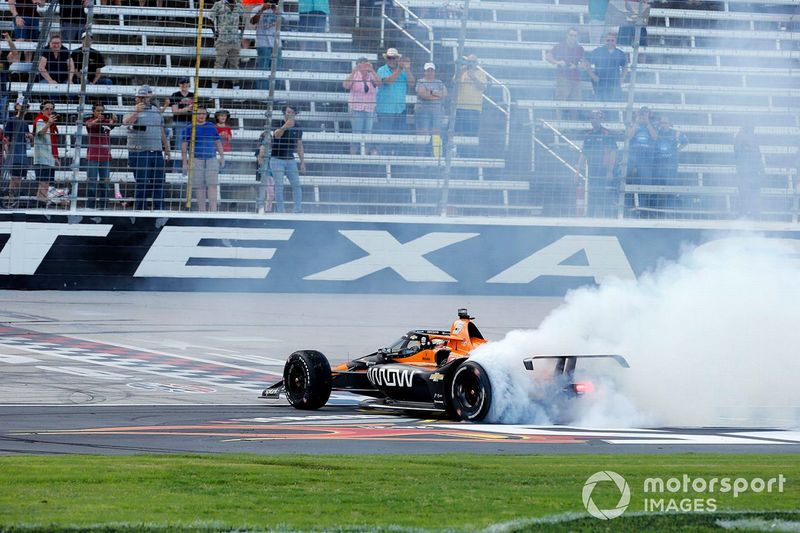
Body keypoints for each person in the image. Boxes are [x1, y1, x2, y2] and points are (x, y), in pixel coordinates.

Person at [123, 85, 170, 211]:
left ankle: (159, 209)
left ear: (150, 97)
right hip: (139, 151)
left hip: (156, 151)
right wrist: (136, 112)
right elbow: (126, 123)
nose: (143, 99)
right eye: (140, 97)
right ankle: (140, 210)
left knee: (159, 182)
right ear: (136, 98)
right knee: (142, 182)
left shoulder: (156, 111)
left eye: (145, 97)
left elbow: (161, 129)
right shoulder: (131, 110)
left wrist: (166, 148)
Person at [181, 106, 225, 213]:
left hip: (211, 159)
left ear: (206, 115)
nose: (201, 116)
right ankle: (202, 211)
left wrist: (222, 157)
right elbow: (184, 146)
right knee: (199, 187)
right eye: (199, 113)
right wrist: (185, 163)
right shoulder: (189, 128)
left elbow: (218, 142)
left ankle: (213, 211)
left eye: (203, 114)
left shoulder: (211, 126)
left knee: (212, 185)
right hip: (196, 160)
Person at [577, 109, 619, 217]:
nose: (594, 120)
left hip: (604, 169)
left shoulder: (607, 134)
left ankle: (607, 218)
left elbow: (613, 153)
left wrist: (610, 171)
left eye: (596, 118)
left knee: (604, 195)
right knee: (592, 194)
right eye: (592, 118)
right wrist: (578, 171)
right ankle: (590, 217)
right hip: (592, 169)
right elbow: (583, 154)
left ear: (601, 119)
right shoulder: (588, 135)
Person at [376, 47, 414, 150]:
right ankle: (384, 157)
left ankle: (397, 156)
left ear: (397, 59)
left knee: (400, 138)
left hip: (400, 109)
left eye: (394, 58)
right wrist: (399, 69)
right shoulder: (381, 70)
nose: (392, 60)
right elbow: (388, 82)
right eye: (389, 58)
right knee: (385, 138)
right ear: (386, 59)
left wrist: (407, 69)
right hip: (385, 110)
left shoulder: (404, 70)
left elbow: (411, 83)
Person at [545, 28, 587, 118]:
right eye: (571, 35)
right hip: (563, 78)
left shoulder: (580, 48)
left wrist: (576, 66)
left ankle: (574, 124)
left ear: (577, 37)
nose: (573, 37)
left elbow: (584, 64)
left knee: (576, 104)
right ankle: (559, 123)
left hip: (576, 79)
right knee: (561, 101)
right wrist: (558, 62)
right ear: (566, 35)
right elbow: (548, 56)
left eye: (575, 36)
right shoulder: (560, 46)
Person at [269, 105, 304, 213]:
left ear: (295, 114)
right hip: (277, 159)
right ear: (284, 112)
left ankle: (297, 210)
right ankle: (281, 211)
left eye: (292, 112)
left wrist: (302, 161)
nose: (289, 114)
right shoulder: (277, 123)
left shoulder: (298, 126)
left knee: (296, 185)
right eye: (288, 112)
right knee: (279, 186)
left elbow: (299, 145)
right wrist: (285, 126)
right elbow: (276, 135)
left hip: (290, 159)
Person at [343, 57, 380, 155]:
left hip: (369, 108)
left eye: (366, 64)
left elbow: (379, 83)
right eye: (362, 65)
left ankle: (365, 156)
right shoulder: (354, 75)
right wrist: (353, 72)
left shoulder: (371, 75)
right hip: (356, 108)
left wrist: (372, 70)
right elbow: (346, 85)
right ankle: (353, 157)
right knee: (356, 134)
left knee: (368, 134)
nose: (364, 67)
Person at [84, 103, 117, 209]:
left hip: (105, 156)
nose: (100, 113)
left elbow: (113, 124)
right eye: (98, 111)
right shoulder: (90, 120)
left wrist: (115, 120)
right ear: (93, 112)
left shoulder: (106, 121)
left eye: (102, 111)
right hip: (93, 156)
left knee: (105, 183)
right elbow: (90, 125)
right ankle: (90, 207)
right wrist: (98, 120)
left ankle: (104, 206)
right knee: (92, 183)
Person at [625, 106, 657, 213]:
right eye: (641, 113)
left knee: (645, 184)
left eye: (645, 113)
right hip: (632, 157)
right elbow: (628, 136)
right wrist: (636, 123)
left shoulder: (653, 124)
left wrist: (647, 123)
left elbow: (655, 137)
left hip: (646, 159)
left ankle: (642, 208)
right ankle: (626, 207)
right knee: (623, 176)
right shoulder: (633, 124)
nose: (643, 115)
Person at [210, 0, 244, 90]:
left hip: (235, 40)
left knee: (235, 64)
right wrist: (215, 33)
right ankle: (213, 90)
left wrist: (240, 35)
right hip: (222, 40)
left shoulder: (239, 6)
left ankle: (236, 90)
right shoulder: (218, 4)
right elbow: (209, 19)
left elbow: (242, 21)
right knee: (219, 64)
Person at [3, 96, 30, 208]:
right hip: (14, 154)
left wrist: (29, 137)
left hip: (22, 154)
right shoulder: (12, 120)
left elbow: (27, 140)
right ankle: (10, 200)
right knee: (14, 178)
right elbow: (6, 139)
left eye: (26, 106)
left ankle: (13, 199)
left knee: (18, 178)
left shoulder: (25, 123)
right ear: (17, 106)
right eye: (22, 105)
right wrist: (7, 153)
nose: (24, 108)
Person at [414, 62, 447, 154]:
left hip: (437, 112)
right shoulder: (420, 81)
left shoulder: (439, 82)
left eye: (432, 70)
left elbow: (445, 93)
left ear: (434, 71)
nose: (430, 72)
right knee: (423, 133)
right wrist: (437, 95)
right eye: (428, 70)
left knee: (436, 133)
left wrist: (431, 92)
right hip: (423, 111)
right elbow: (423, 94)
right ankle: (421, 157)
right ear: (424, 71)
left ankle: (436, 156)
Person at [586, 32, 628, 101]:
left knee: (614, 104)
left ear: (615, 41)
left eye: (612, 40)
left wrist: (622, 79)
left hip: (614, 84)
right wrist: (593, 76)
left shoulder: (619, 53)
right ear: (604, 41)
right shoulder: (598, 51)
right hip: (600, 84)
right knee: (600, 104)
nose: (610, 42)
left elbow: (625, 66)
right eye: (608, 40)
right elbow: (587, 62)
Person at [32, 100, 60, 205]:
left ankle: (41, 202)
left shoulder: (50, 124)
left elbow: (53, 143)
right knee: (43, 182)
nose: (49, 111)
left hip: (50, 157)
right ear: (42, 110)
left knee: (46, 182)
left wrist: (55, 157)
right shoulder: (40, 120)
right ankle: (41, 203)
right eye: (46, 109)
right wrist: (48, 123)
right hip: (42, 157)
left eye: (51, 109)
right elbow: (40, 133)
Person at [733, 124, 764, 218]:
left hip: (751, 172)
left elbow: (758, 155)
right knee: (746, 193)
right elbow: (755, 155)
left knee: (752, 193)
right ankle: (745, 213)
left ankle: (752, 213)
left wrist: (761, 168)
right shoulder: (741, 139)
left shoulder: (750, 139)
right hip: (746, 172)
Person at [454, 54, 487, 137]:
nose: (471, 64)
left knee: (471, 134)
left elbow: (483, 87)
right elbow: (454, 85)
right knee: (458, 133)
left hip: (474, 108)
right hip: (460, 107)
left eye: (473, 62)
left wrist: (473, 78)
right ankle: (458, 147)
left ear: (476, 63)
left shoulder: (481, 73)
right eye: (469, 61)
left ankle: (470, 147)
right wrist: (460, 73)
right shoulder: (461, 72)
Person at [251, 0, 281, 88]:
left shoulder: (279, 9)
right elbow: (252, 21)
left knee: (277, 70)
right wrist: (262, 10)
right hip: (262, 43)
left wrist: (276, 11)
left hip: (277, 44)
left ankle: (276, 92)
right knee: (263, 70)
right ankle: (262, 92)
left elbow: (284, 22)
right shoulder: (257, 8)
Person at [168, 77, 194, 167]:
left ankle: (189, 170)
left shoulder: (193, 95)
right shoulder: (175, 95)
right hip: (179, 122)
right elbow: (175, 111)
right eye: (182, 83)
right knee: (178, 147)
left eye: (186, 83)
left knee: (191, 148)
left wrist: (182, 110)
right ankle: (176, 170)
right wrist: (186, 109)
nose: (184, 85)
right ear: (179, 84)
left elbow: (196, 110)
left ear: (189, 84)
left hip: (191, 123)